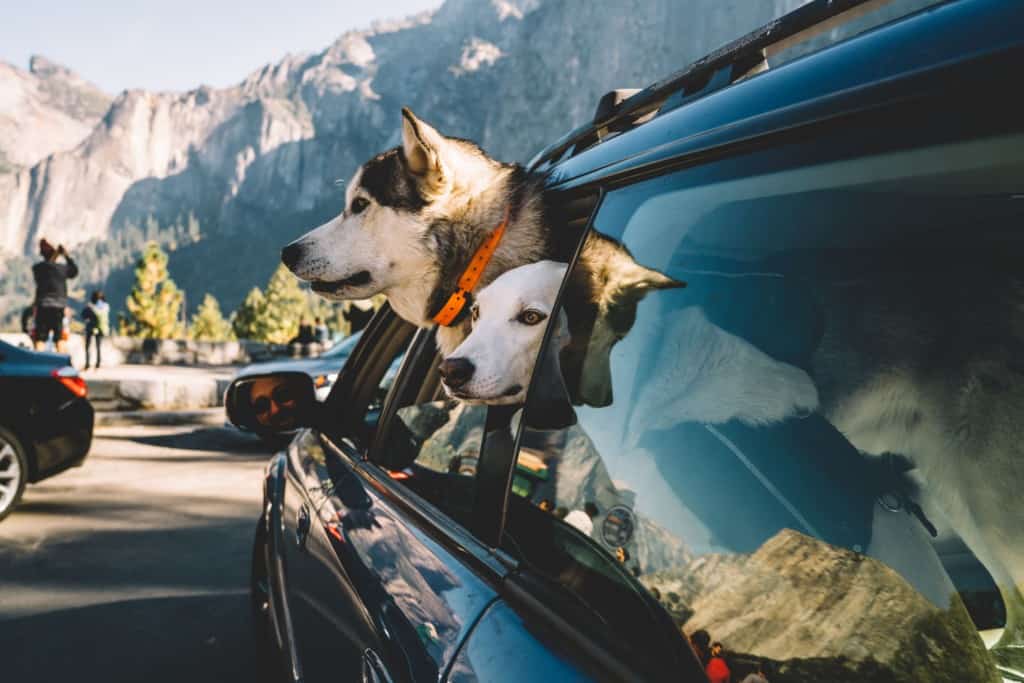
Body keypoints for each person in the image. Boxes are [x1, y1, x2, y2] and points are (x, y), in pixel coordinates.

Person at [31, 239, 78, 353]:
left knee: (40, 339)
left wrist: (54, 255)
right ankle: (60, 363)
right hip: (58, 307)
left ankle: (38, 363)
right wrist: (66, 255)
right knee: (59, 339)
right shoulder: (62, 269)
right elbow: (74, 271)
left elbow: (48, 266)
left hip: (43, 306)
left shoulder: (38, 268)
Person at [82, 291, 110, 370]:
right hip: (100, 328)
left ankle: (87, 364)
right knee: (98, 346)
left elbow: (84, 315)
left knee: (87, 346)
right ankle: (98, 363)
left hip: (90, 327)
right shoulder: (105, 307)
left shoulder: (90, 306)